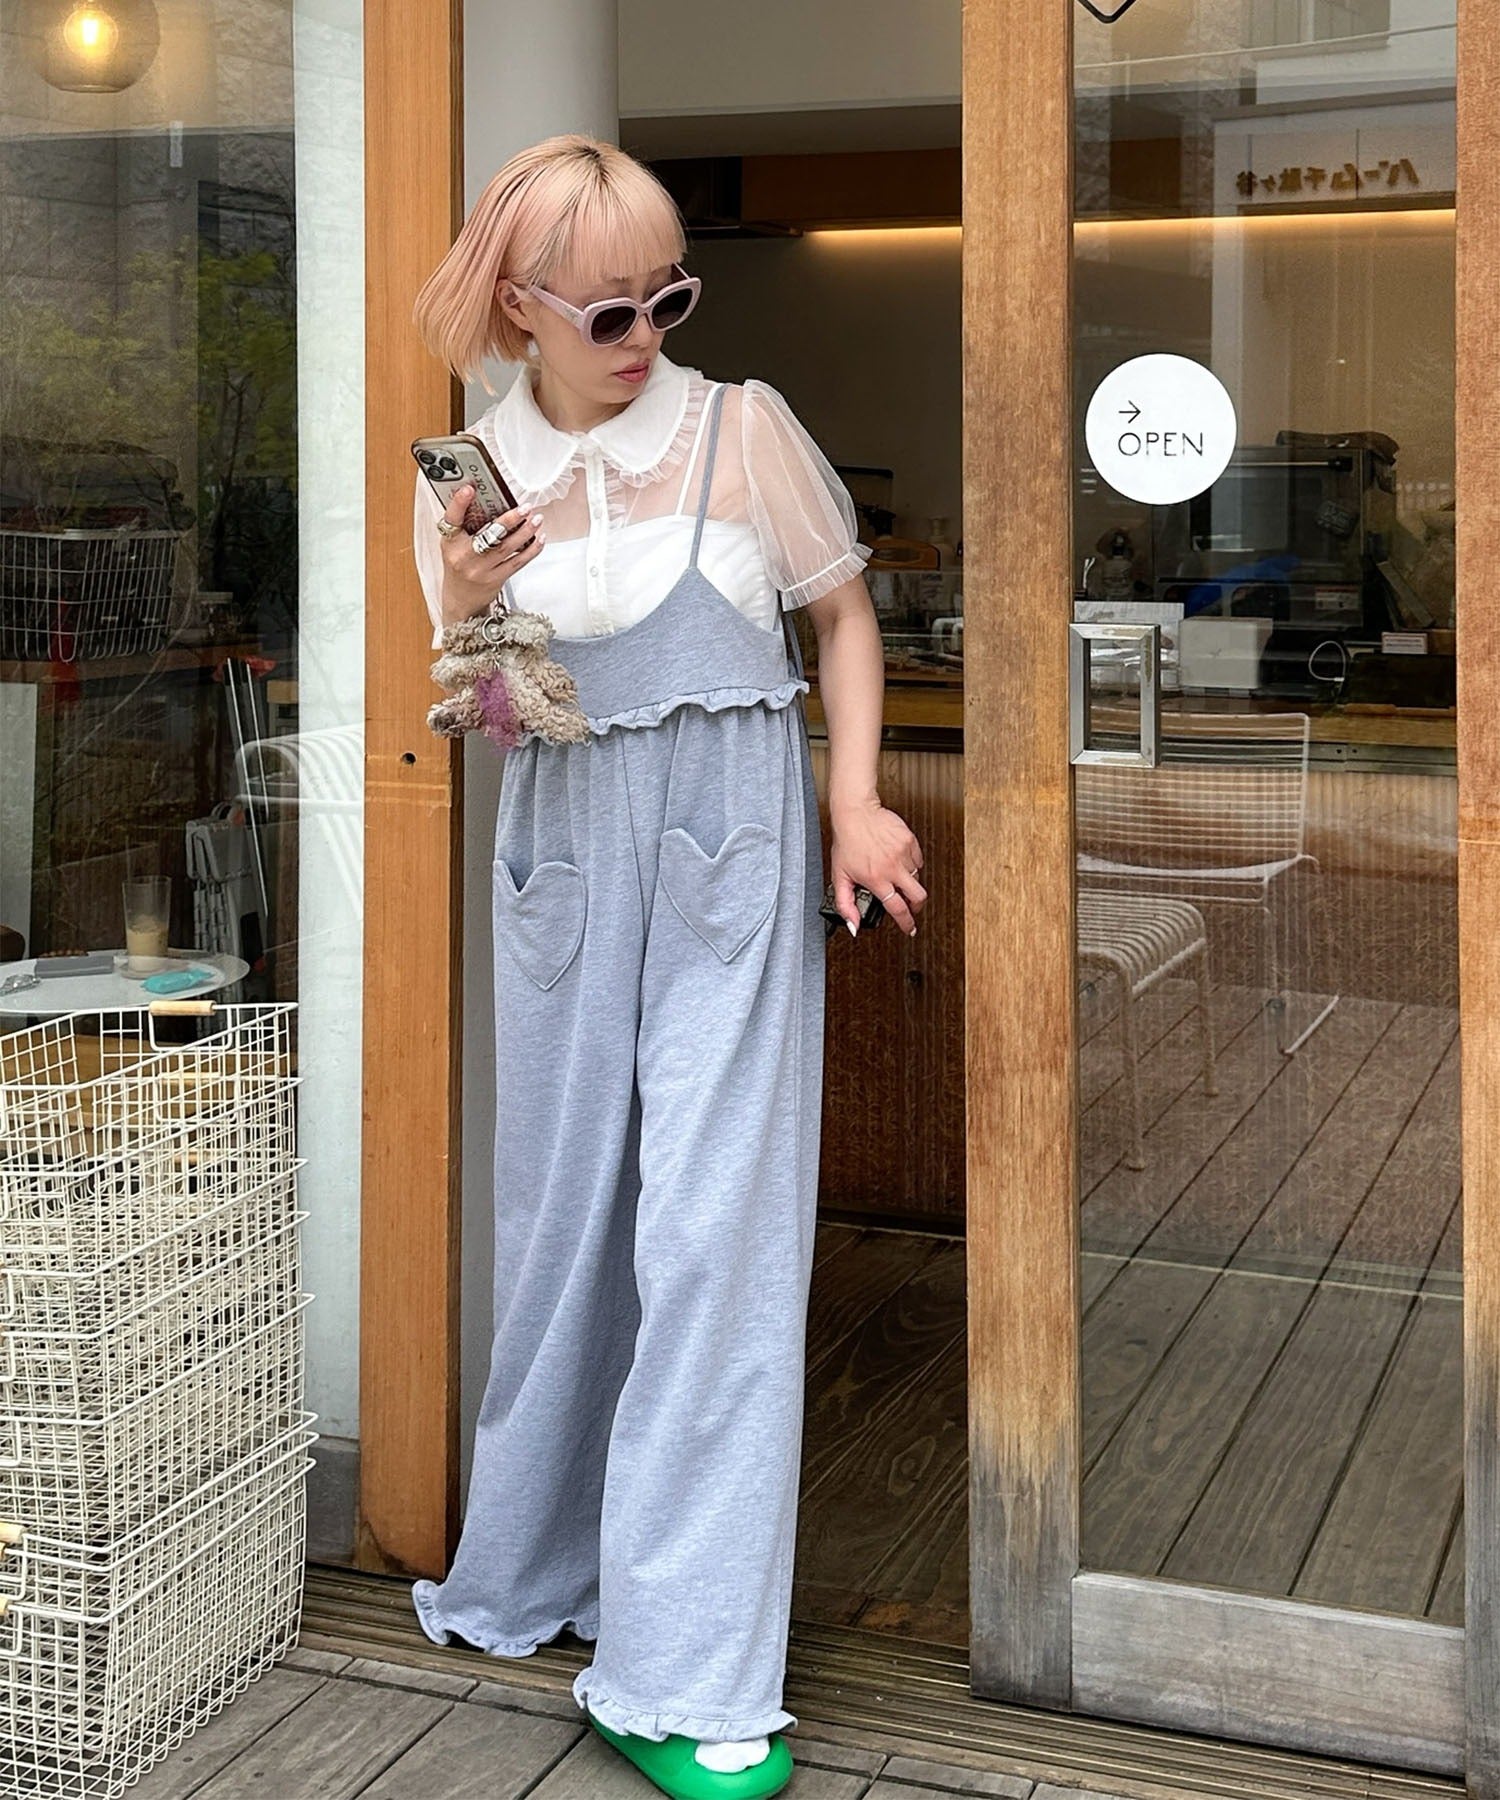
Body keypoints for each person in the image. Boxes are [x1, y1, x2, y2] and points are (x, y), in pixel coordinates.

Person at [406, 133, 927, 1800]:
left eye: (668, 298)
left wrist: (854, 802)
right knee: (566, 1228)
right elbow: (495, 717)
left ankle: (682, 1668)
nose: (647, 336)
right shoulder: (465, 469)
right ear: (521, 306)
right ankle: (546, 1564)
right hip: (564, 848)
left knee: (717, 1243)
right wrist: (468, 609)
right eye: (611, 309)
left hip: (729, 846)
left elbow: (842, 621)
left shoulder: (741, 426)